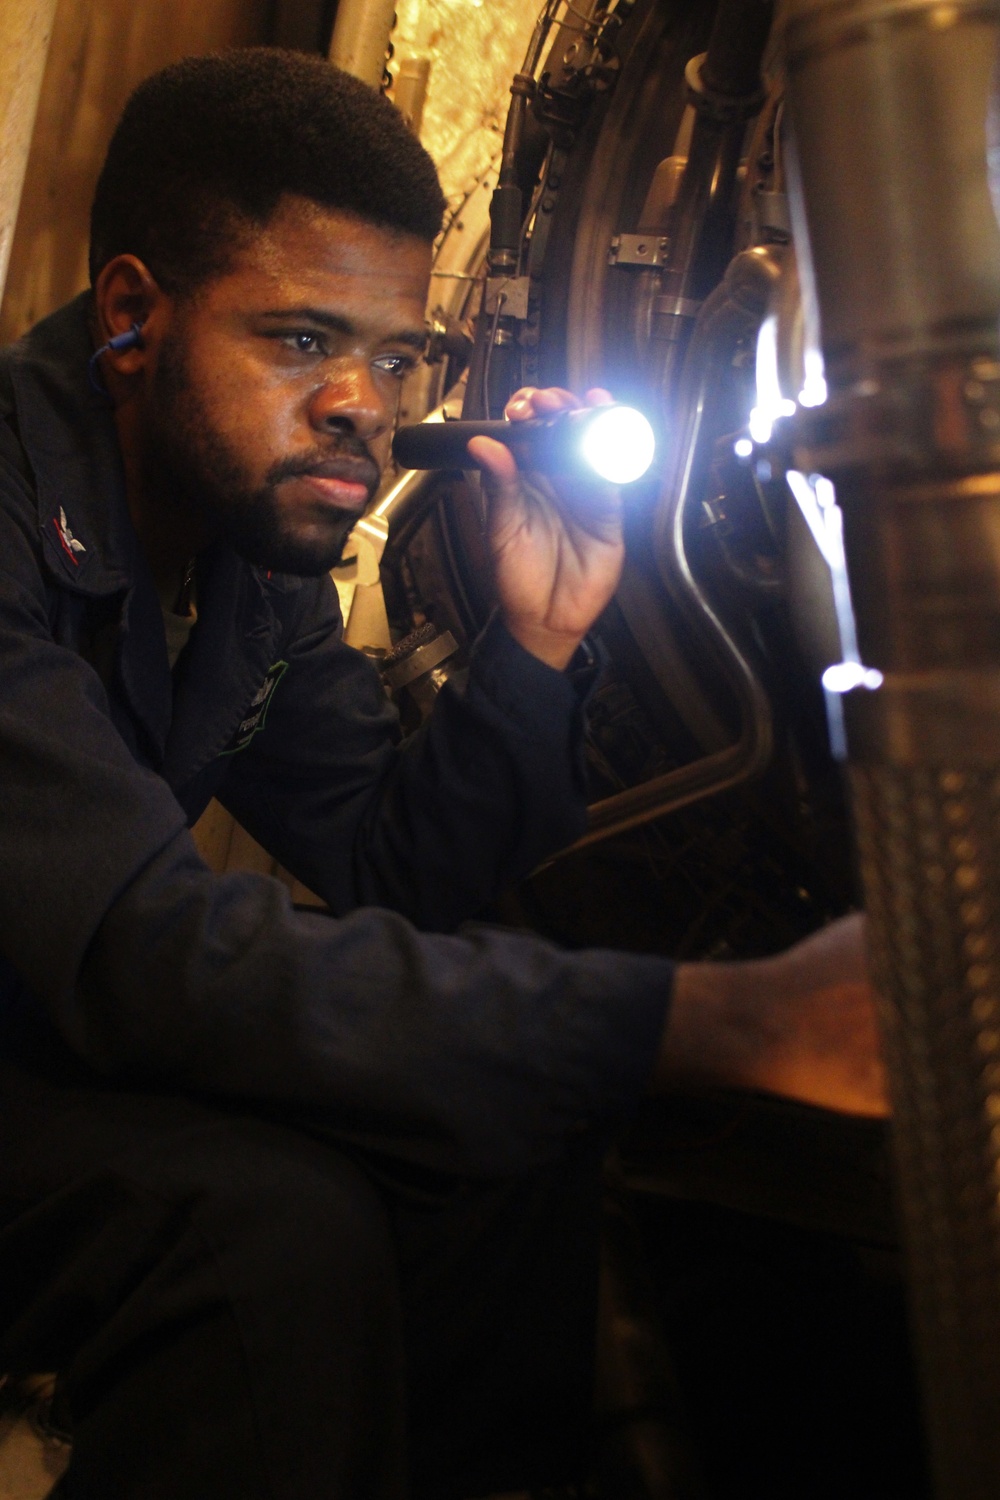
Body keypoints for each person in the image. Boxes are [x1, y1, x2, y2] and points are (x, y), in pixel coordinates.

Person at [0, 47, 884, 1500]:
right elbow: (153, 959)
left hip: (61, 1037)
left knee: (499, 1137)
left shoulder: (249, 536)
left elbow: (393, 874)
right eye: (299, 341)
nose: (361, 401)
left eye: (399, 356)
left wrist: (532, 650)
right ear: (133, 318)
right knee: (264, 1235)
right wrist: (710, 1016)